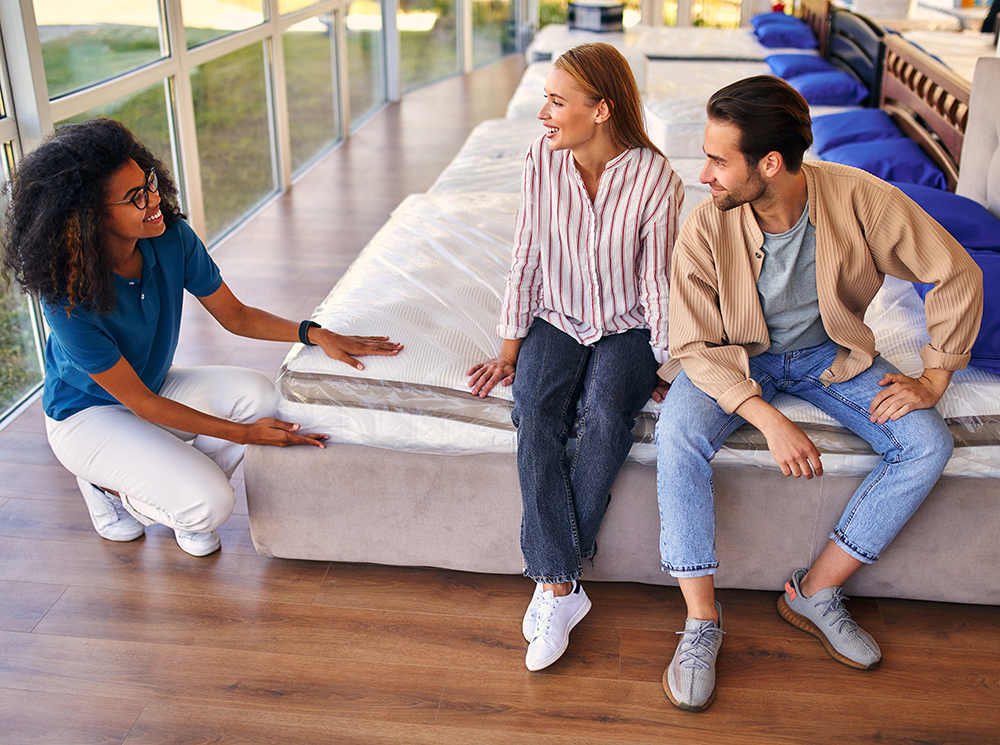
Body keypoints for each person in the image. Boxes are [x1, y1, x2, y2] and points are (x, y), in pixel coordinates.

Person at [654, 76, 982, 711]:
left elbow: (956, 273)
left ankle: (813, 592)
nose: (705, 174)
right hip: (733, 357)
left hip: (829, 356)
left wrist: (934, 375)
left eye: (720, 161)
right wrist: (766, 418)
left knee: (925, 443)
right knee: (677, 432)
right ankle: (701, 622)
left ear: (770, 164)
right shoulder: (706, 223)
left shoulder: (860, 198)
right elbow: (692, 344)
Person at [1, 119, 401, 556]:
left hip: (153, 387)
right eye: (136, 197)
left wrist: (314, 333)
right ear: (90, 217)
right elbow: (141, 404)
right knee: (212, 505)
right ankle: (109, 486)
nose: (154, 200)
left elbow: (235, 315)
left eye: (149, 182)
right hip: (87, 415)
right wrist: (244, 436)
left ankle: (181, 493)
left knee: (259, 396)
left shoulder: (170, 238)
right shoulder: (66, 297)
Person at [467, 43, 684, 672]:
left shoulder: (655, 180)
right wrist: (509, 345)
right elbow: (526, 252)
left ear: (602, 109)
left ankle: (552, 582)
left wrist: (665, 367)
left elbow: (658, 285)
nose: (544, 113)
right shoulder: (542, 159)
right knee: (532, 408)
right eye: (546, 98)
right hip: (556, 316)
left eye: (557, 101)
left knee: (607, 413)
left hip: (626, 326)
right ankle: (563, 586)